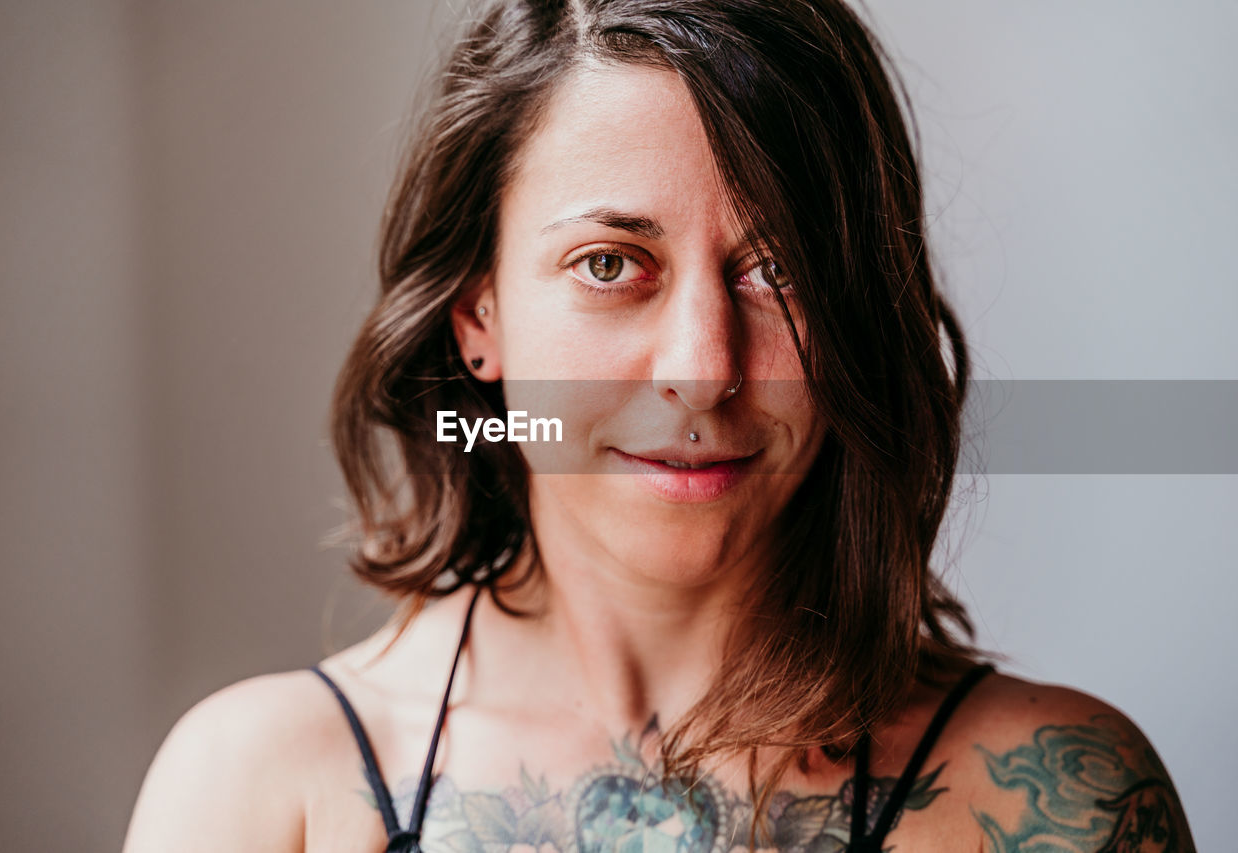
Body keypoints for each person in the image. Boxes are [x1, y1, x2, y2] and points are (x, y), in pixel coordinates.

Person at [124, 1, 1196, 851]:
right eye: (609, 265)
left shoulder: (1065, 800)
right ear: (476, 315)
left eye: (777, 271)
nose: (702, 366)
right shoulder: (265, 791)